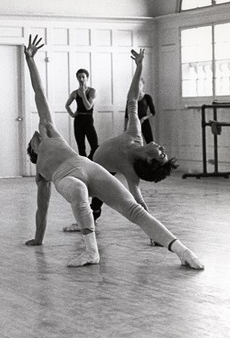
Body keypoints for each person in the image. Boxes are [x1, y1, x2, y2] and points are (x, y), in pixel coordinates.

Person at [24, 35, 203, 269]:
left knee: (134, 210)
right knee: (78, 190)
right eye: (33, 141)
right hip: (66, 176)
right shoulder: (40, 173)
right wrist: (38, 238)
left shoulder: (49, 130)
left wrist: (30, 60)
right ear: (34, 150)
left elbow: (40, 93)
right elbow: (42, 209)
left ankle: (183, 250)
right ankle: (91, 252)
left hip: (90, 167)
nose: (35, 136)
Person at [64, 51, 176, 244]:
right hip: (95, 163)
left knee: (91, 192)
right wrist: (139, 66)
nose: (162, 147)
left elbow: (139, 203)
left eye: (161, 154)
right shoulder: (135, 133)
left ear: (151, 160)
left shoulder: (131, 172)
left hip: (98, 171)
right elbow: (132, 100)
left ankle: (85, 224)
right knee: (92, 191)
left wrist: (154, 233)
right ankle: (87, 220)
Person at [65, 69, 98, 158]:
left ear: (87, 78)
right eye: (79, 77)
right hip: (78, 121)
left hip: (88, 120)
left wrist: (83, 94)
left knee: (95, 146)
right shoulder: (75, 93)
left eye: (83, 77)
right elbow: (67, 105)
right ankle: (84, 166)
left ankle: (91, 162)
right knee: (81, 147)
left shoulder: (92, 91)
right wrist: (72, 114)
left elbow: (88, 107)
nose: (81, 79)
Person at [124, 77, 155, 143]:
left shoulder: (147, 97)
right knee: (133, 142)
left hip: (144, 121)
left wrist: (144, 118)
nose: (138, 87)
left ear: (143, 85)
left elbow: (153, 112)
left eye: (140, 85)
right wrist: (125, 128)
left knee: (150, 141)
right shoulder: (131, 98)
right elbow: (126, 114)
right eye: (136, 85)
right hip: (133, 122)